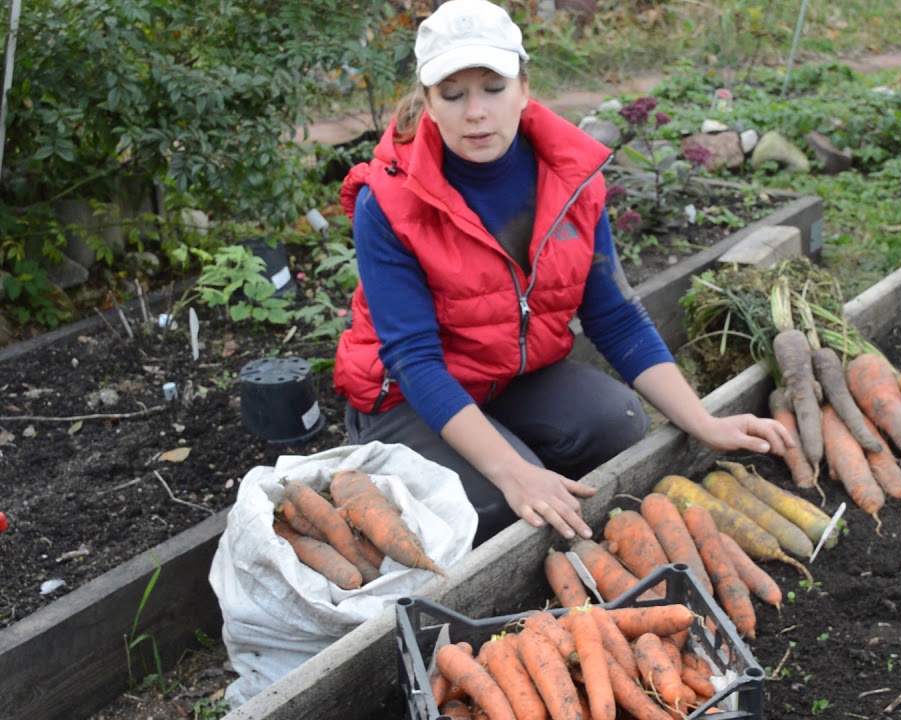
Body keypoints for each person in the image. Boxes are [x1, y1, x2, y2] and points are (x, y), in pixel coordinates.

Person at [333, 0, 793, 546]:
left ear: (524, 88)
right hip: (405, 396)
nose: (475, 112)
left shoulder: (570, 180)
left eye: (492, 88)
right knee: (497, 507)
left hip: (505, 377)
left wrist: (705, 421)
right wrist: (514, 472)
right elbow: (414, 361)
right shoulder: (387, 201)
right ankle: (416, 464)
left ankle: (511, 461)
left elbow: (615, 317)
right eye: (453, 95)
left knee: (618, 424)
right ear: (428, 104)